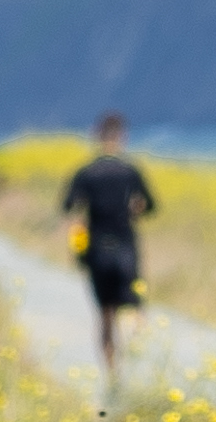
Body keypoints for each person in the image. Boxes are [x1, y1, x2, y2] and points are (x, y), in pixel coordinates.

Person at [60, 114, 157, 376]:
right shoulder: (130, 171)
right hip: (126, 245)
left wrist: (77, 244)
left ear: (97, 136)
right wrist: (133, 209)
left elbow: (68, 207)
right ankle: (138, 365)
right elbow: (150, 205)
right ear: (122, 137)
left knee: (105, 314)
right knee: (134, 306)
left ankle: (113, 373)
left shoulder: (85, 173)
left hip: (97, 250)